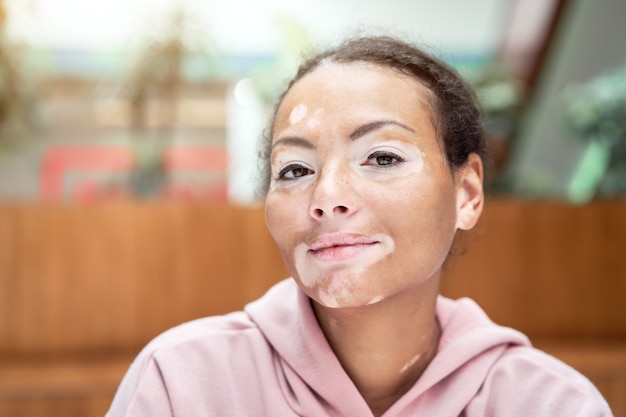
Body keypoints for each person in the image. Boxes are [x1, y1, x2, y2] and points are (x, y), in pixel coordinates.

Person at [106, 35, 612, 416]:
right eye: (295, 170)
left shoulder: (549, 404)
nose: (326, 198)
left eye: (383, 157)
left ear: (467, 194)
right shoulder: (182, 384)